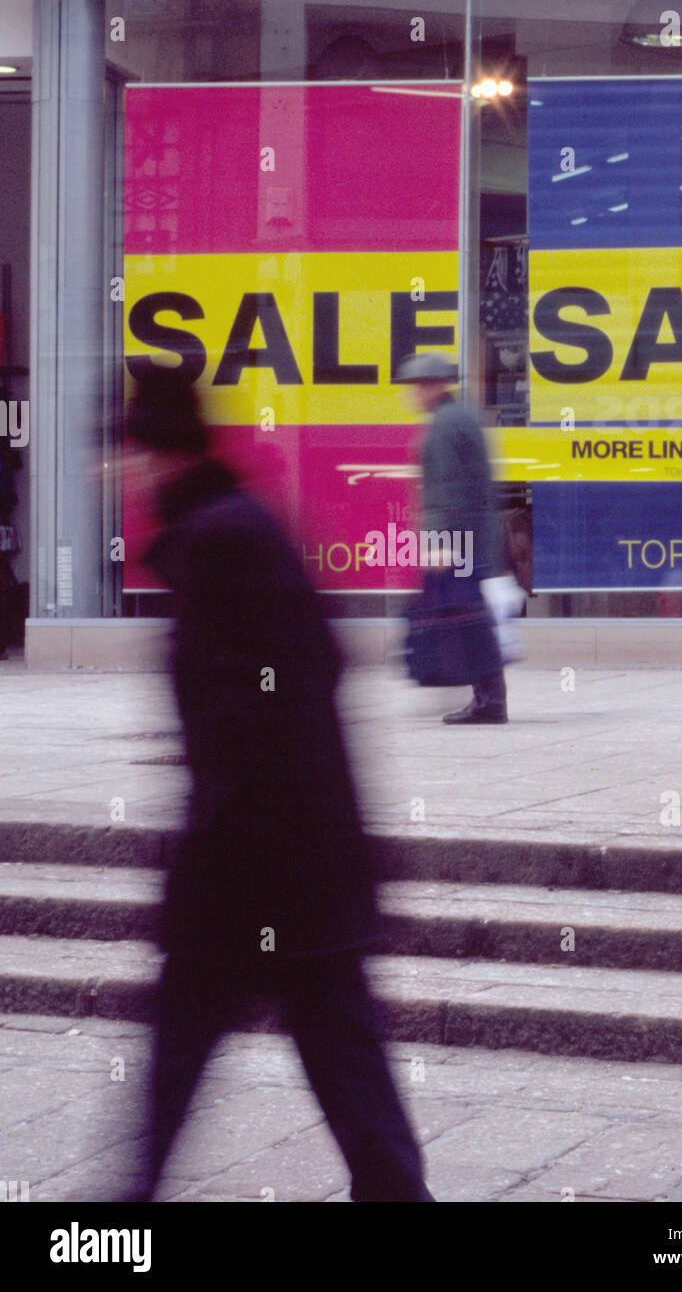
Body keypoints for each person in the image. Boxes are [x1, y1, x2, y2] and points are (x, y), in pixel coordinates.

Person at [123, 362, 433, 1203]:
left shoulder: (221, 539)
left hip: (255, 870)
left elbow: (251, 718)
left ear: (156, 454)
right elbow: (309, 674)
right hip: (300, 864)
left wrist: (207, 850)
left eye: (126, 454)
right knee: (337, 1055)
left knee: (186, 1054)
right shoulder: (240, 524)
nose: (118, 472)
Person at [399, 352, 508, 725]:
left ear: (431, 386)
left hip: (457, 541)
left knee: (469, 620)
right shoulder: (461, 417)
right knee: (470, 618)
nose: (412, 395)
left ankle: (489, 701)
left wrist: (440, 542)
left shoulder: (445, 424)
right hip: (469, 538)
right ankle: (487, 697)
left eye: (415, 386)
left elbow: (449, 489)